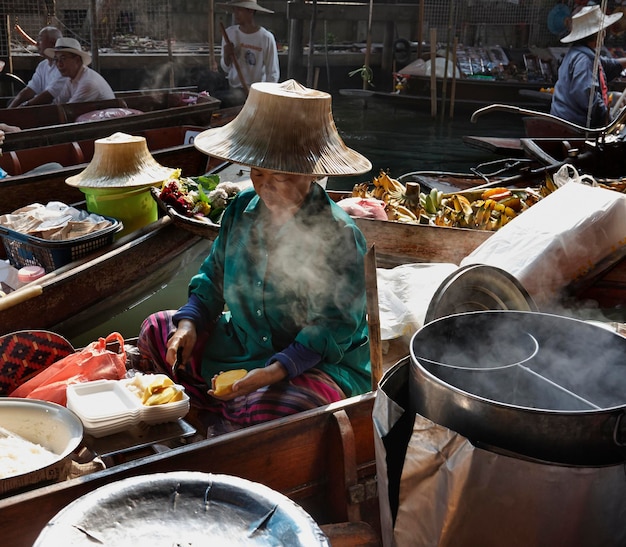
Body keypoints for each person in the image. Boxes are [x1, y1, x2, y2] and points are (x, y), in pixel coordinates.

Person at [137, 79, 373, 434]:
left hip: (311, 363)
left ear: (311, 173)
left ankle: (223, 410)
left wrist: (277, 370)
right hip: (241, 347)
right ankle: (224, 407)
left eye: (279, 176)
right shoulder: (240, 211)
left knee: (273, 407)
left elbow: (332, 327)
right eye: (258, 173)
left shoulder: (339, 236)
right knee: (157, 328)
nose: (265, 186)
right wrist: (187, 326)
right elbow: (212, 281)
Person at [550, 5, 626, 128]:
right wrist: (609, 121)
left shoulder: (581, 53)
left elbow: (608, 65)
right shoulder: (584, 60)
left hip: (568, 123)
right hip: (573, 127)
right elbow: (589, 98)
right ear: (599, 34)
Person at [214, 0, 280, 107]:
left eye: (239, 10)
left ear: (251, 11)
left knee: (226, 99)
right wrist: (226, 55)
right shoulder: (229, 33)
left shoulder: (266, 38)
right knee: (214, 95)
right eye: (234, 9)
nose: (236, 13)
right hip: (233, 89)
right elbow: (226, 68)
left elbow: (272, 73)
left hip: (255, 91)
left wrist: (264, 98)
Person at [8, 26, 67, 108]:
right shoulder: (42, 65)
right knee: (11, 102)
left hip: (54, 109)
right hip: (44, 106)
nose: (37, 43)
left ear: (53, 43)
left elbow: (49, 96)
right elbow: (30, 89)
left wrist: (24, 106)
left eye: (40, 40)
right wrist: (10, 109)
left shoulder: (64, 67)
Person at [43, 37, 115, 104]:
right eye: (56, 59)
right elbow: (58, 102)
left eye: (63, 59)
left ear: (77, 60)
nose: (59, 64)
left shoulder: (87, 83)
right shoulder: (71, 79)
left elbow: (68, 110)